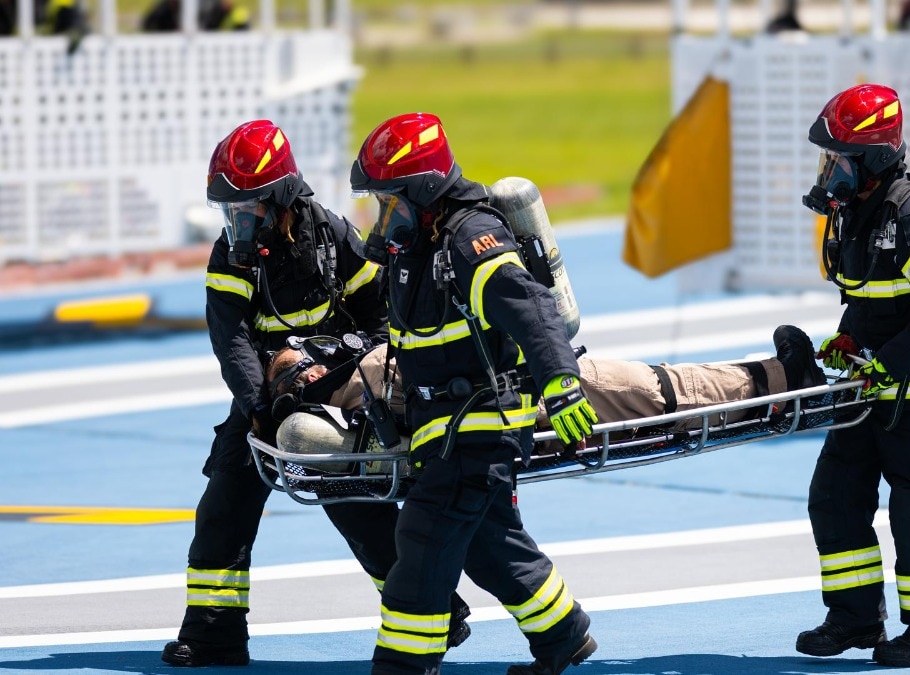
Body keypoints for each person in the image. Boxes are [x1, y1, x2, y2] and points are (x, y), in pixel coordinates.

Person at [161, 119, 470, 668]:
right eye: (229, 211)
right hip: (264, 396)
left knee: (352, 500)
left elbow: (383, 318)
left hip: (336, 386)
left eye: (247, 209)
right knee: (225, 500)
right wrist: (258, 407)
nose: (237, 222)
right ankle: (213, 635)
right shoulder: (230, 257)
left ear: (280, 199)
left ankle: (434, 612)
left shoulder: (332, 238)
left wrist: (340, 371)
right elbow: (230, 340)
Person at [349, 112, 611, 675]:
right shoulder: (418, 246)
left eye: (388, 200)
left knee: (421, 539)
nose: (382, 214)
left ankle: (403, 667)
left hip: (478, 427)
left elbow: (532, 307)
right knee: (491, 545)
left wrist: (562, 386)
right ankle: (564, 635)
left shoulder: (470, 238)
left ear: (420, 192)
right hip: (442, 428)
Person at [794, 83, 910, 667]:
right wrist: (851, 337)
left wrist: (885, 363)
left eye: (839, 157)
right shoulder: (858, 212)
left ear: (872, 158)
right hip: (870, 396)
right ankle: (855, 619)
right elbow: (875, 297)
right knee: (835, 498)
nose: (830, 170)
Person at [264, 326, 826, 441]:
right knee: (663, 393)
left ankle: (775, 382)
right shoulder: (356, 391)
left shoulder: (355, 386)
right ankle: (784, 383)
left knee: (662, 389)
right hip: (535, 396)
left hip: (523, 387)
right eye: (298, 363)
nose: (312, 357)